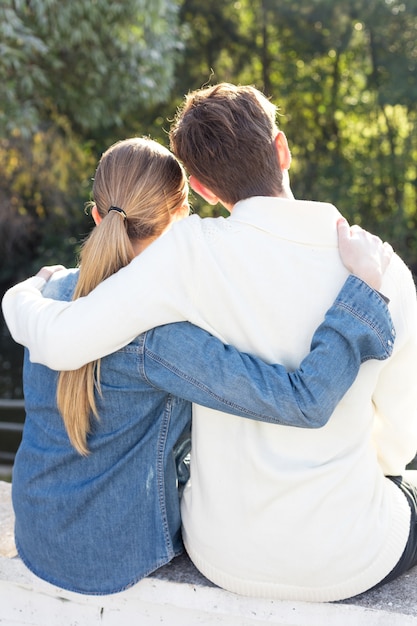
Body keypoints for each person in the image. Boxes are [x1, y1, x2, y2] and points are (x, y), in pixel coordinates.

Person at [2, 84, 415, 600]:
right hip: (342, 555)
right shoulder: (382, 271)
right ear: (281, 148)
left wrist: (24, 291)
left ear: (199, 187)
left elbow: (63, 336)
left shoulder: (187, 256)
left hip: (207, 548)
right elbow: (394, 439)